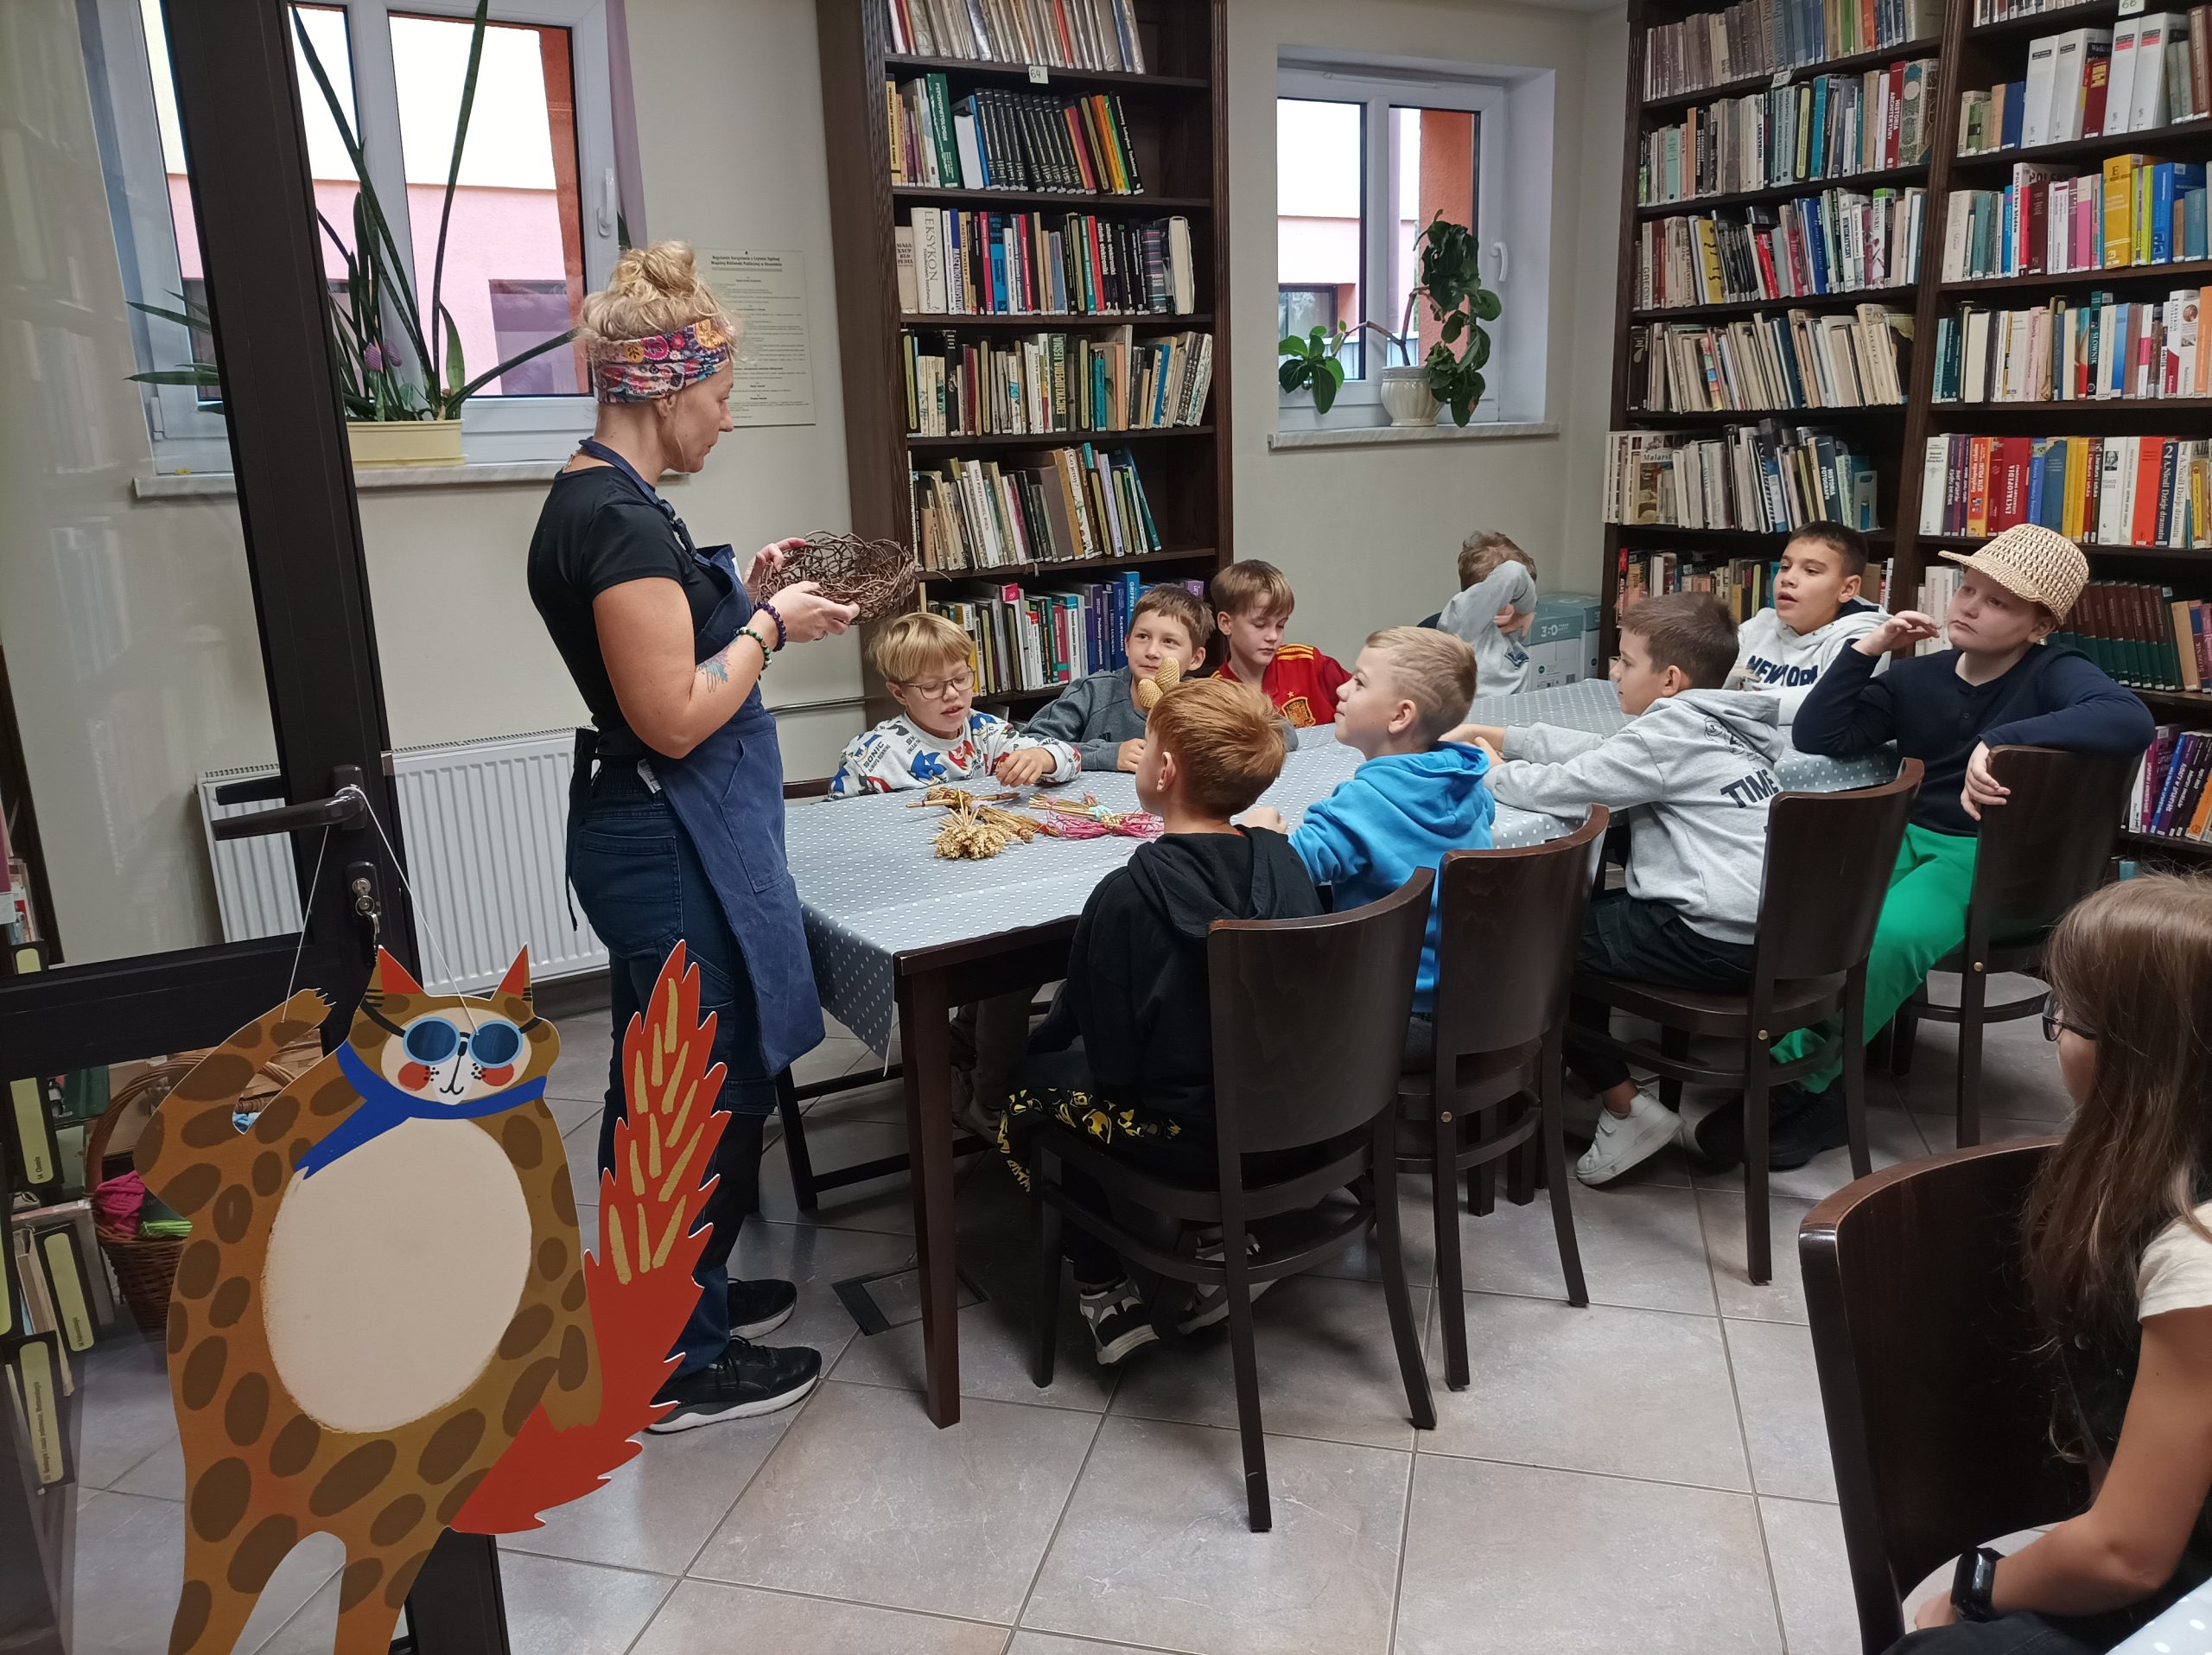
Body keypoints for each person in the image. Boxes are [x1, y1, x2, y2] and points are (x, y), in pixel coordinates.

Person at [527, 242, 858, 1429]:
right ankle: (675, 1360)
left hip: (663, 831)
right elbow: (671, 714)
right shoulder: (613, 519)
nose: (727, 416)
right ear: (666, 390)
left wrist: (741, 595)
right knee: (691, 1093)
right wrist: (769, 627)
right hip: (663, 834)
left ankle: (681, 1300)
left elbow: (666, 651)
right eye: (719, 393)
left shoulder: (610, 498)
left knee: (680, 1080)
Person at [1703, 524, 2157, 1170]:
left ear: (2039, 625)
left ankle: (1803, 1084)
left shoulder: (2056, 672)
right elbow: (1819, 734)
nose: (1969, 606)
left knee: (1890, 935)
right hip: (1908, 838)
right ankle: (1806, 1061)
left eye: (1996, 602)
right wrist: (1867, 649)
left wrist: (1998, 740)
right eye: (1968, 590)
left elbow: (2131, 719)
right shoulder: (1919, 676)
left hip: (1990, 860)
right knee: (1815, 908)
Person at [1894, 874, 2212, 1653]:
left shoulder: (2195, 1252)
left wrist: (1975, 1591)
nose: (2059, 1032)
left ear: (2134, 1054)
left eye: (2065, 1014)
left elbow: (2127, 1552)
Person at [999, 677, 1319, 1365]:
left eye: (1145, 748)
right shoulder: (1287, 861)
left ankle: (1100, 1280)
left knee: (1028, 1089)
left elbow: (1111, 1064)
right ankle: (1220, 1242)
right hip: (1303, 1120)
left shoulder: (1126, 896)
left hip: (1187, 1142)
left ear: (1164, 770)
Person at [1454, 593, 1785, 1185]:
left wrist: (1493, 769)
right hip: (1763, 933)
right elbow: (1609, 755)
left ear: (1670, 679)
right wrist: (1505, 733)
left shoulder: (1669, 734)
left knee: (1530, 944)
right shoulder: (1718, 722)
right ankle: (1589, 1070)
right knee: (1572, 921)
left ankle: (1622, 1103)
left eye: (1627, 662)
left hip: (1707, 936)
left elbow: (1568, 787)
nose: (1614, 672)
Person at [1243, 627, 1491, 1063]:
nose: (1341, 688)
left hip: (1392, 1016)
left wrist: (1262, 836)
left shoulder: (1363, 804)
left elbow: (1289, 873)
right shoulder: (1466, 782)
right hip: (1473, 1003)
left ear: (1400, 716)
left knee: (1250, 1000)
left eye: (1359, 682)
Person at [826, 611, 1081, 796]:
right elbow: (837, 823)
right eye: (931, 686)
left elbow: (1072, 759)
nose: (951, 693)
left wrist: (1041, 758)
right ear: (900, 693)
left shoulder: (986, 732)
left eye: (960, 679)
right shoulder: (872, 754)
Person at [1025, 583, 1211, 772]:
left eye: (1169, 641)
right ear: (1127, 645)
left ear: (1196, 658)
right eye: (1143, 637)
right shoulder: (1093, 692)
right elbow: (1032, 743)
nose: (1152, 651)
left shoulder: (1202, 706)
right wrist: (1106, 754)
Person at [1726, 520, 1887, 723]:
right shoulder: (1759, 626)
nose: (1788, 578)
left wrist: (1730, 704)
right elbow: (1712, 678)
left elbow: (1821, 702)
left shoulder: (1867, 640)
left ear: (1847, 589)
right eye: (1785, 567)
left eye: (1811, 571)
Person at [1209, 559, 1351, 729]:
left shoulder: (1310, 663)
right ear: (1226, 623)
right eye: (1260, 625)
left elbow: (1367, 701)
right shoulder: (1216, 695)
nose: (1273, 636)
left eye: (1281, 625)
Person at [1437, 531, 1539, 700]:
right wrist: (1525, 610)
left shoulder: (1504, 627)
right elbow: (1513, 572)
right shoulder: (1466, 620)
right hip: (1479, 713)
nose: (1517, 605)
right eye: (1515, 597)